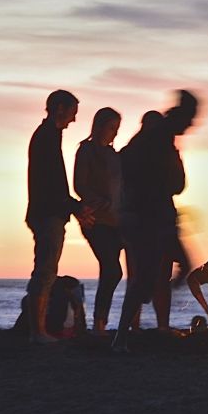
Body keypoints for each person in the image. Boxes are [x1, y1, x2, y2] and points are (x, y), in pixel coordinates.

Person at [113, 90, 199, 352]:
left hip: (154, 216)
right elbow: (175, 183)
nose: (192, 125)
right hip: (150, 218)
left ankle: (125, 332)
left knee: (177, 268)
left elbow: (175, 183)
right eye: (191, 119)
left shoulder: (154, 141)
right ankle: (122, 336)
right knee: (149, 278)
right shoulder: (159, 139)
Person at [26, 90, 94, 343]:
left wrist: (73, 207)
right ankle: (38, 331)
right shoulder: (46, 137)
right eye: (72, 113)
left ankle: (39, 330)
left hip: (48, 211)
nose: (74, 120)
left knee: (47, 270)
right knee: (45, 271)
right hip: (47, 213)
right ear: (60, 109)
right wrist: (74, 207)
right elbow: (52, 183)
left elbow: (55, 184)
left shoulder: (49, 136)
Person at [74, 107, 125, 335]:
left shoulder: (115, 156)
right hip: (96, 219)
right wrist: (97, 201)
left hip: (118, 220)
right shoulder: (86, 150)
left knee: (114, 269)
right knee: (112, 269)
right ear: (99, 126)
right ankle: (99, 323)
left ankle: (106, 323)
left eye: (116, 129)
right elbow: (79, 184)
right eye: (111, 127)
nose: (113, 133)